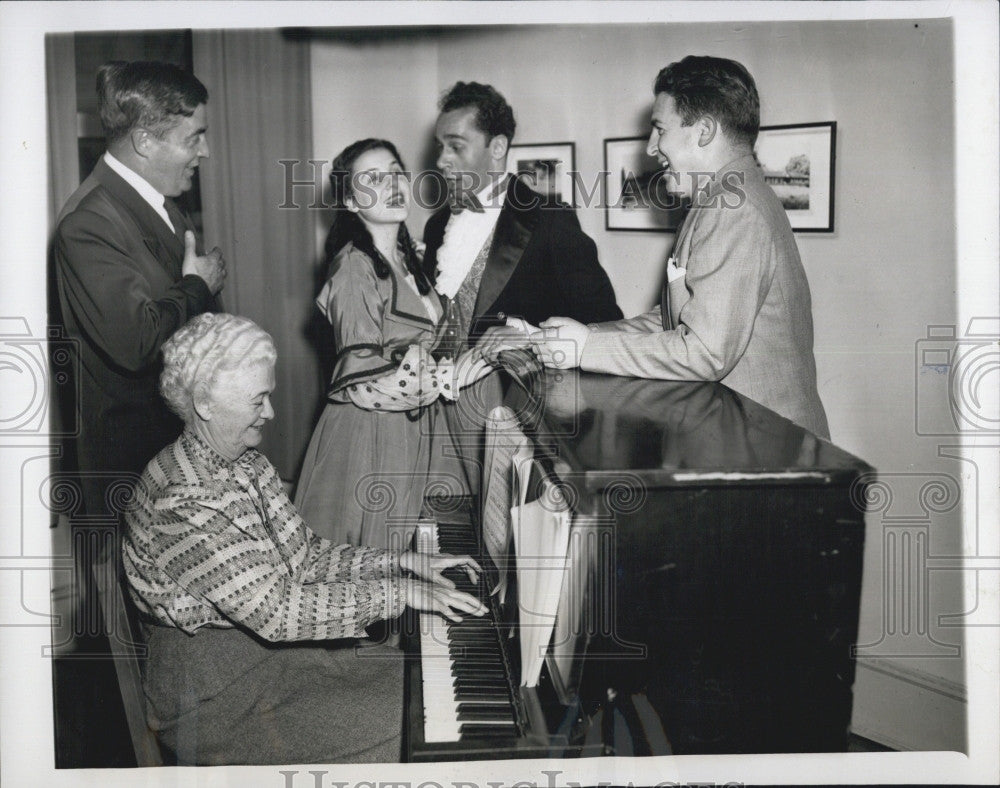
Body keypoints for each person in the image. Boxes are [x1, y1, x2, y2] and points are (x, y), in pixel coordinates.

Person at [122, 313, 486, 765]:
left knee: (423, 689)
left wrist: (403, 563)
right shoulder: (180, 503)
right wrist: (401, 593)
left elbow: (307, 558)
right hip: (213, 693)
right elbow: (277, 612)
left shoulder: (244, 463)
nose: (271, 413)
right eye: (258, 400)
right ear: (205, 403)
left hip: (269, 657)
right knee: (419, 728)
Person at [530, 56, 830, 439]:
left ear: (703, 131)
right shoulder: (718, 200)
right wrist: (580, 337)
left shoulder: (731, 209)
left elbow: (705, 351)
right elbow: (674, 319)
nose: (652, 147)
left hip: (764, 446)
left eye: (660, 130)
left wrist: (587, 348)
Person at [423, 82, 623, 492]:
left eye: (455, 146)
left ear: (497, 148)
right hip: (433, 423)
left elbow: (606, 325)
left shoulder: (550, 220)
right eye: (439, 146)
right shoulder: (436, 224)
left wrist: (528, 336)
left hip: (512, 427)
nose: (440, 160)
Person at [294, 139, 492, 548]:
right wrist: (451, 374)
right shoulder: (353, 268)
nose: (392, 184)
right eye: (373, 179)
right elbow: (363, 383)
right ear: (350, 201)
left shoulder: (407, 259)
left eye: (396, 172)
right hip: (372, 437)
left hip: (418, 431)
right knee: (375, 563)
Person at [54, 61, 226, 524]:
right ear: (144, 142)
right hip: (131, 474)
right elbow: (136, 343)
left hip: (173, 459)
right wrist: (198, 285)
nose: (204, 152)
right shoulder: (89, 223)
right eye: (194, 137)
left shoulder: (159, 199)